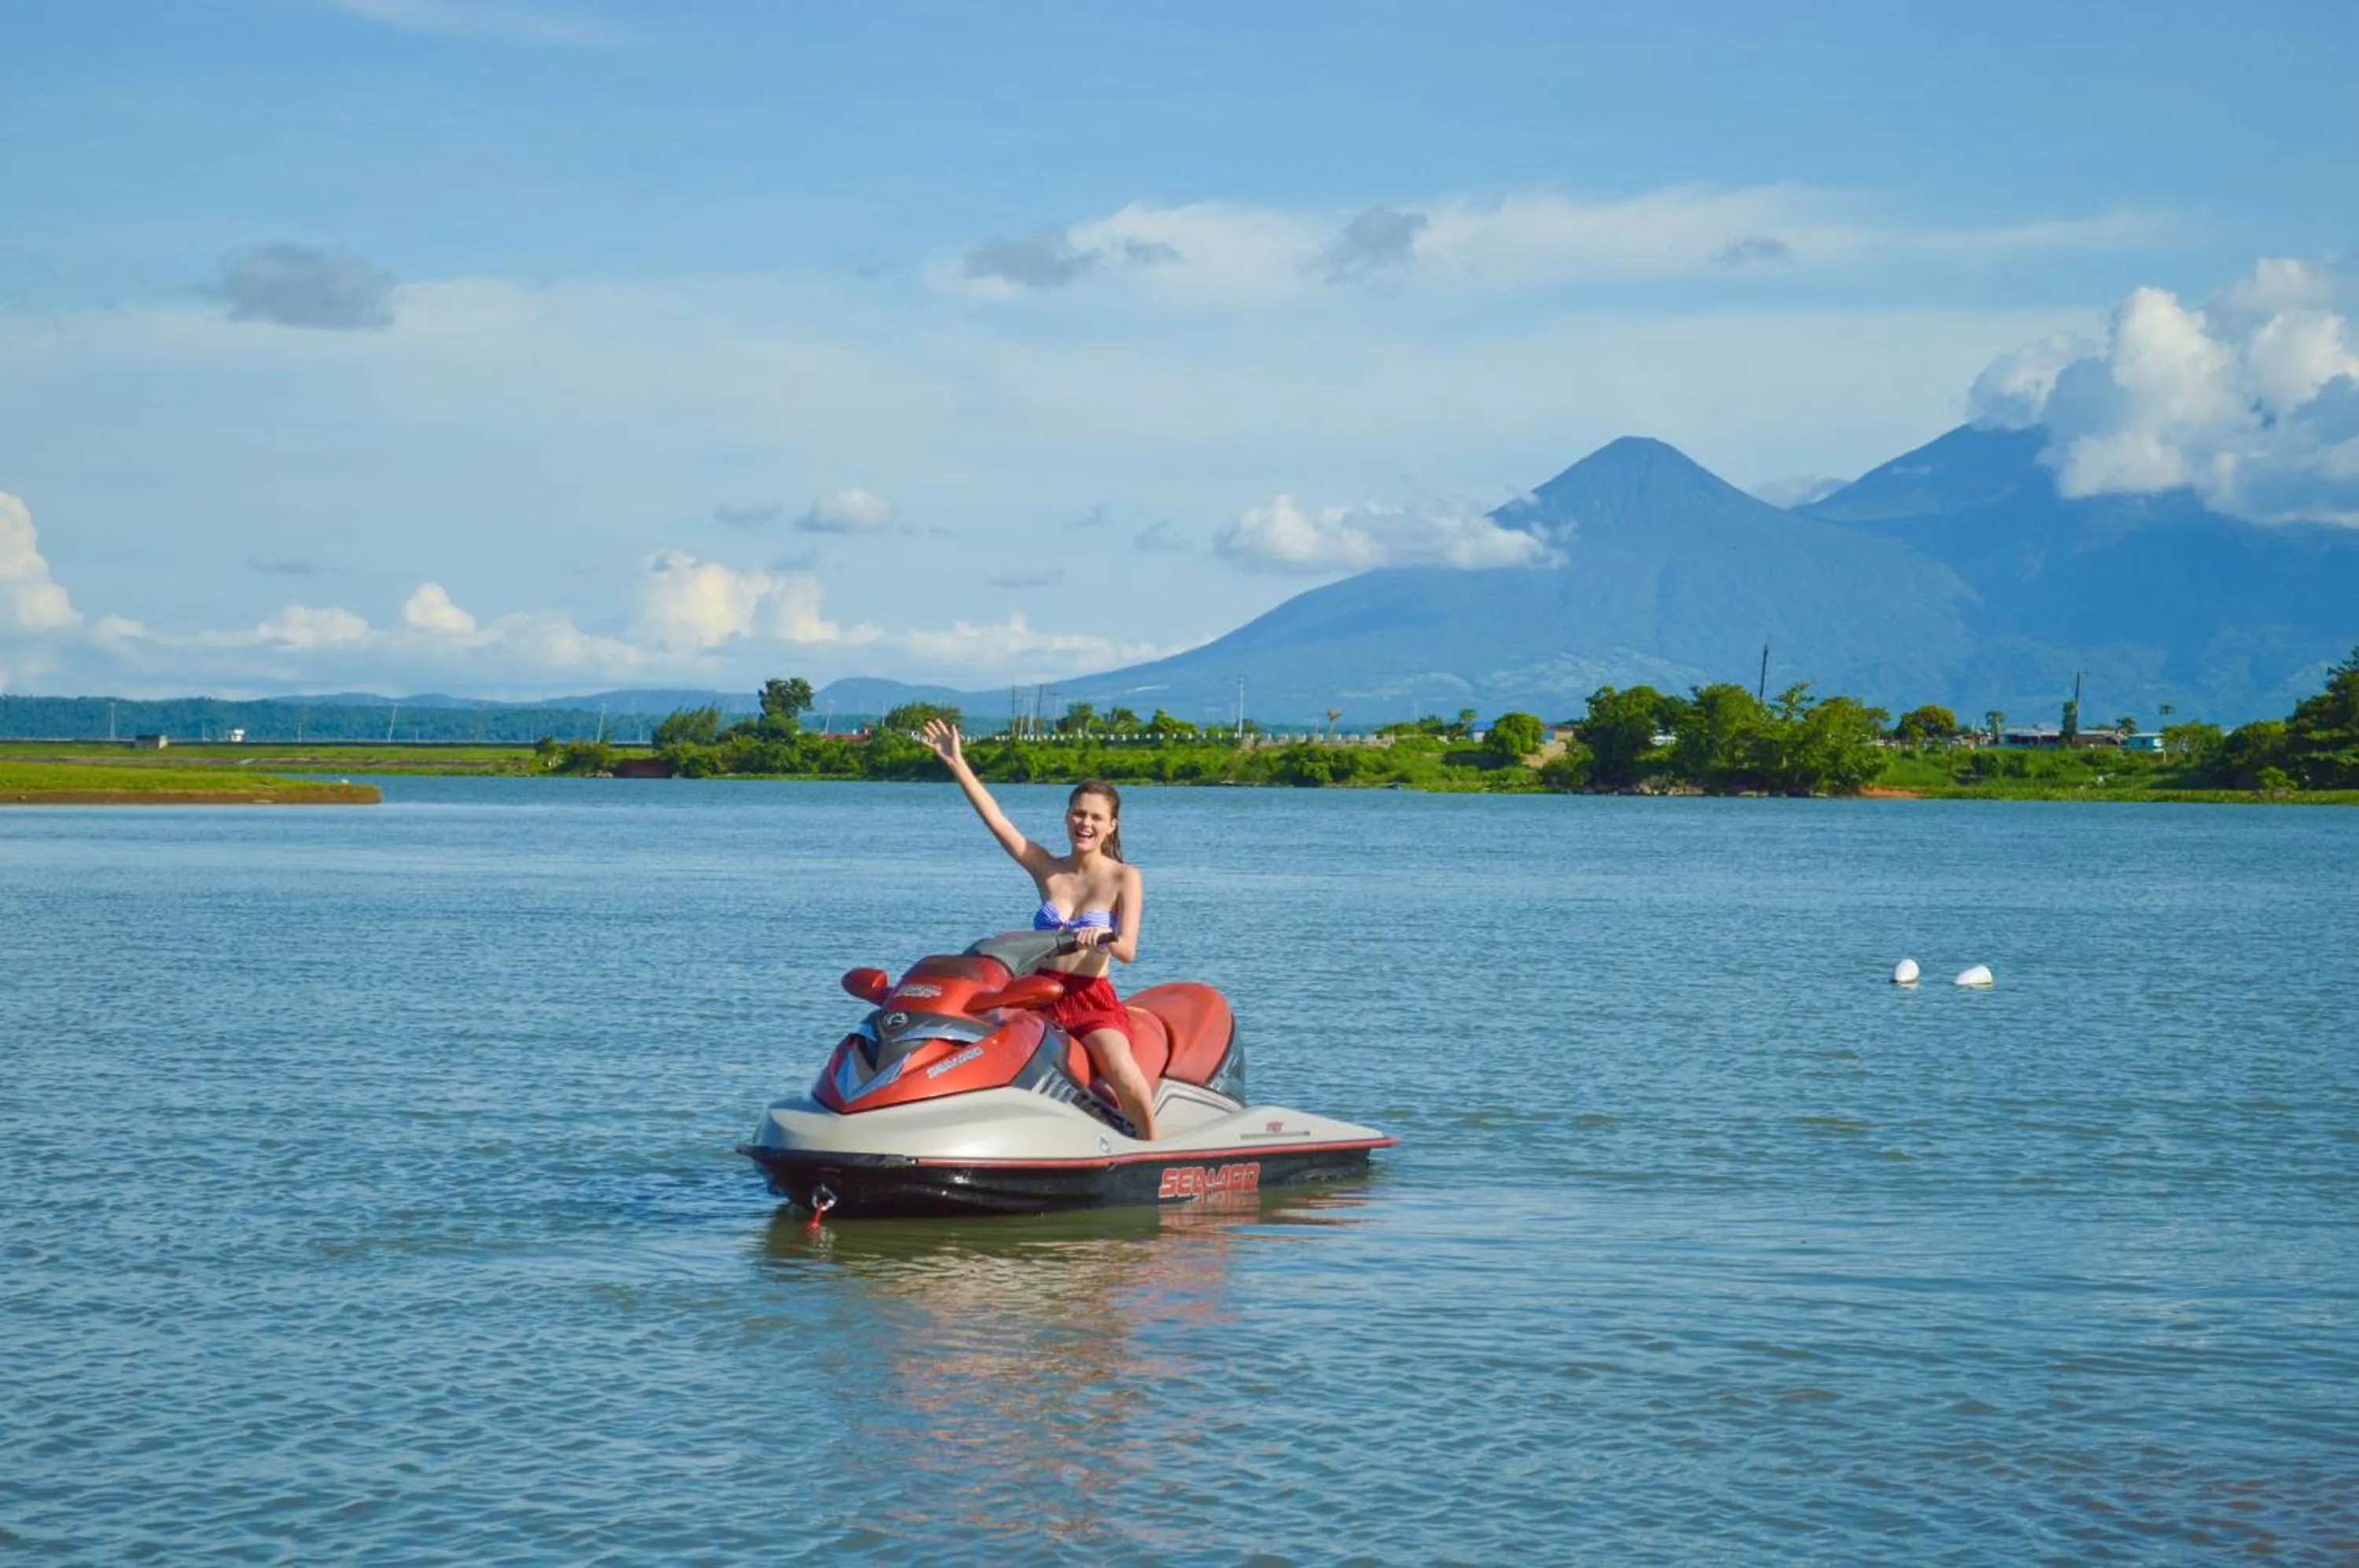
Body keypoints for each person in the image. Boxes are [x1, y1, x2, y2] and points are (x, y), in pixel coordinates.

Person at [920, 718, 1158, 1141]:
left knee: (1123, 1072)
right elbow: (998, 821)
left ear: (1111, 826)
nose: (1085, 823)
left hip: (1089, 999)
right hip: (1035, 994)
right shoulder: (1047, 867)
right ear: (1067, 817)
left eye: (1096, 817)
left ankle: (1152, 1149)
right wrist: (957, 763)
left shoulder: (1125, 877)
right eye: (1078, 813)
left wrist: (1102, 938)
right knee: (978, 1048)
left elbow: (1128, 950)